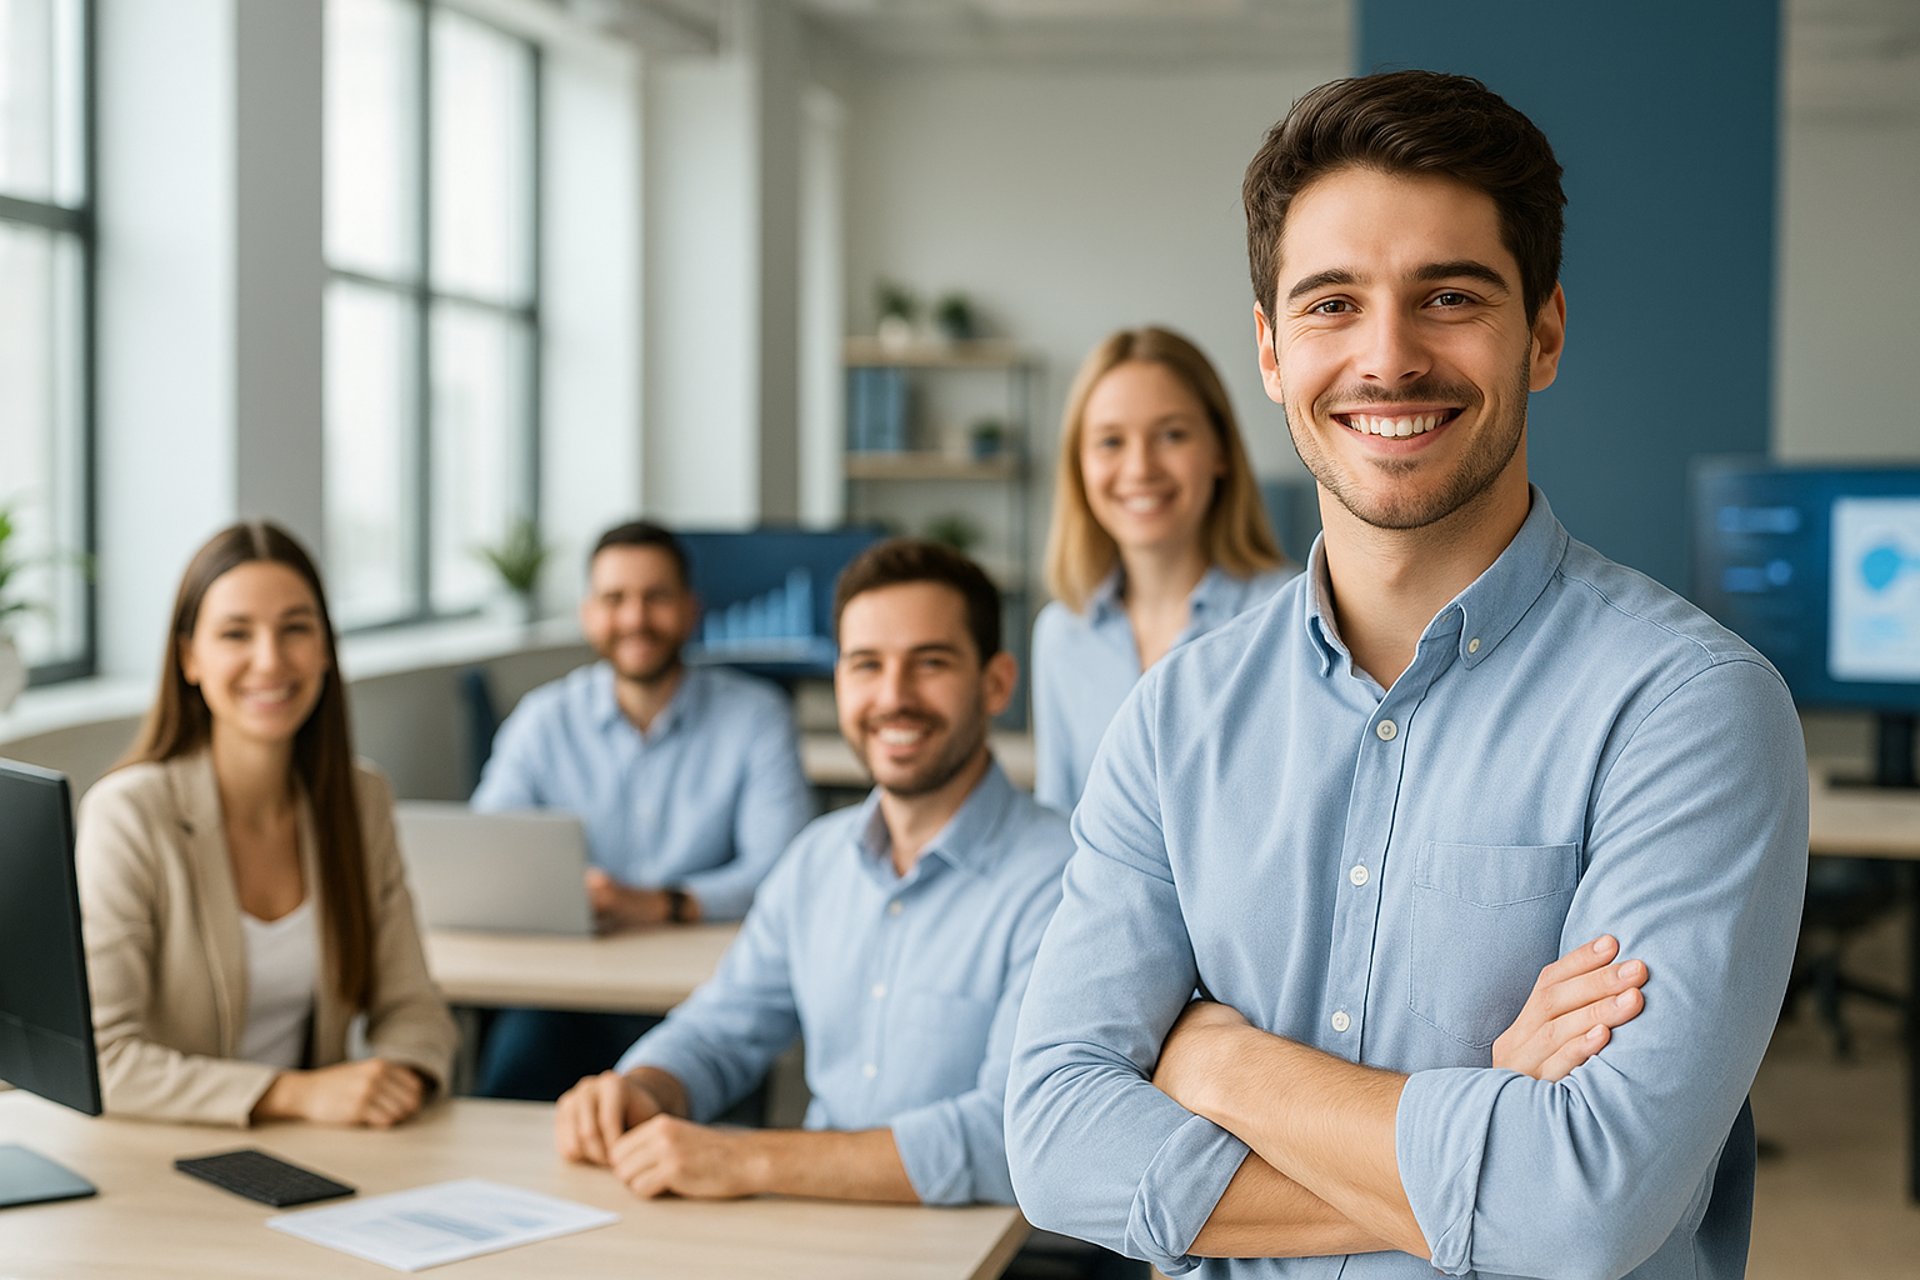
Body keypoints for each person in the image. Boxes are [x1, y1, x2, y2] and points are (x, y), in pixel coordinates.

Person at [1007, 70, 1807, 1278]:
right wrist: (1486, 1114)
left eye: (1450, 296)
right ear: (1271, 350)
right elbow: (1056, 1141)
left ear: (1543, 333)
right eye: (1332, 303)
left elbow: (1583, 1204)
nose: (1387, 358)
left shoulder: (1691, 707)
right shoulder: (1175, 716)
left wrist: (1222, 1062)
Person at [552, 539, 1072, 1206]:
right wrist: (641, 1088)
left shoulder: (1063, 879)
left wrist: (749, 1159)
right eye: (866, 665)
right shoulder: (817, 862)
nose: (893, 696)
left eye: (930, 663)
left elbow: (1014, 1136)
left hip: (991, 1246)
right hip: (817, 1223)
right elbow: (722, 1028)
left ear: (996, 683)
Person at [76, 521, 457, 1128]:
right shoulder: (128, 813)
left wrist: (399, 1076)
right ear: (189, 658)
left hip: (311, 1148)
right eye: (236, 633)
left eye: (295, 629)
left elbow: (414, 1008)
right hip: (160, 1148)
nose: (270, 660)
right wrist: (294, 1094)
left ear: (326, 648)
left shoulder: (359, 799)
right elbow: (103, 1057)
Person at [469, 519, 815, 1099]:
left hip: (702, 994)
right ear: (588, 614)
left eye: (656, 597)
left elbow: (782, 873)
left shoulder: (757, 718)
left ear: (690, 609)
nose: (635, 618)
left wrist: (658, 904)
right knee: (507, 1089)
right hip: (561, 992)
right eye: (615, 599)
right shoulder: (543, 719)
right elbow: (487, 852)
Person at [1032, 326, 1292, 812]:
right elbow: (1060, 825)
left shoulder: (1289, 619)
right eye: (1111, 441)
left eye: (1172, 435)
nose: (1140, 469)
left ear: (1220, 451)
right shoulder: (1061, 634)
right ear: (1079, 465)